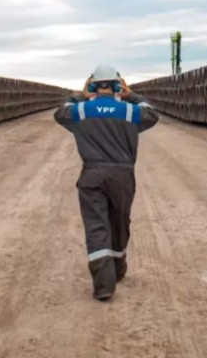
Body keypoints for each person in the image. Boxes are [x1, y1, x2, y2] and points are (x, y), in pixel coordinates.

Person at [53, 63, 160, 301]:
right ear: (116, 85)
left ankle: (103, 284)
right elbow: (152, 114)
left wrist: (81, 95)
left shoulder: (81, 111)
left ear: (93, 85)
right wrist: (131, 94)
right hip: (122, 176)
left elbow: (60, 112)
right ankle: (118, 268)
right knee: (119, 222)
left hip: (92, 174)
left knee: (96, 225)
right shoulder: (129, 111)